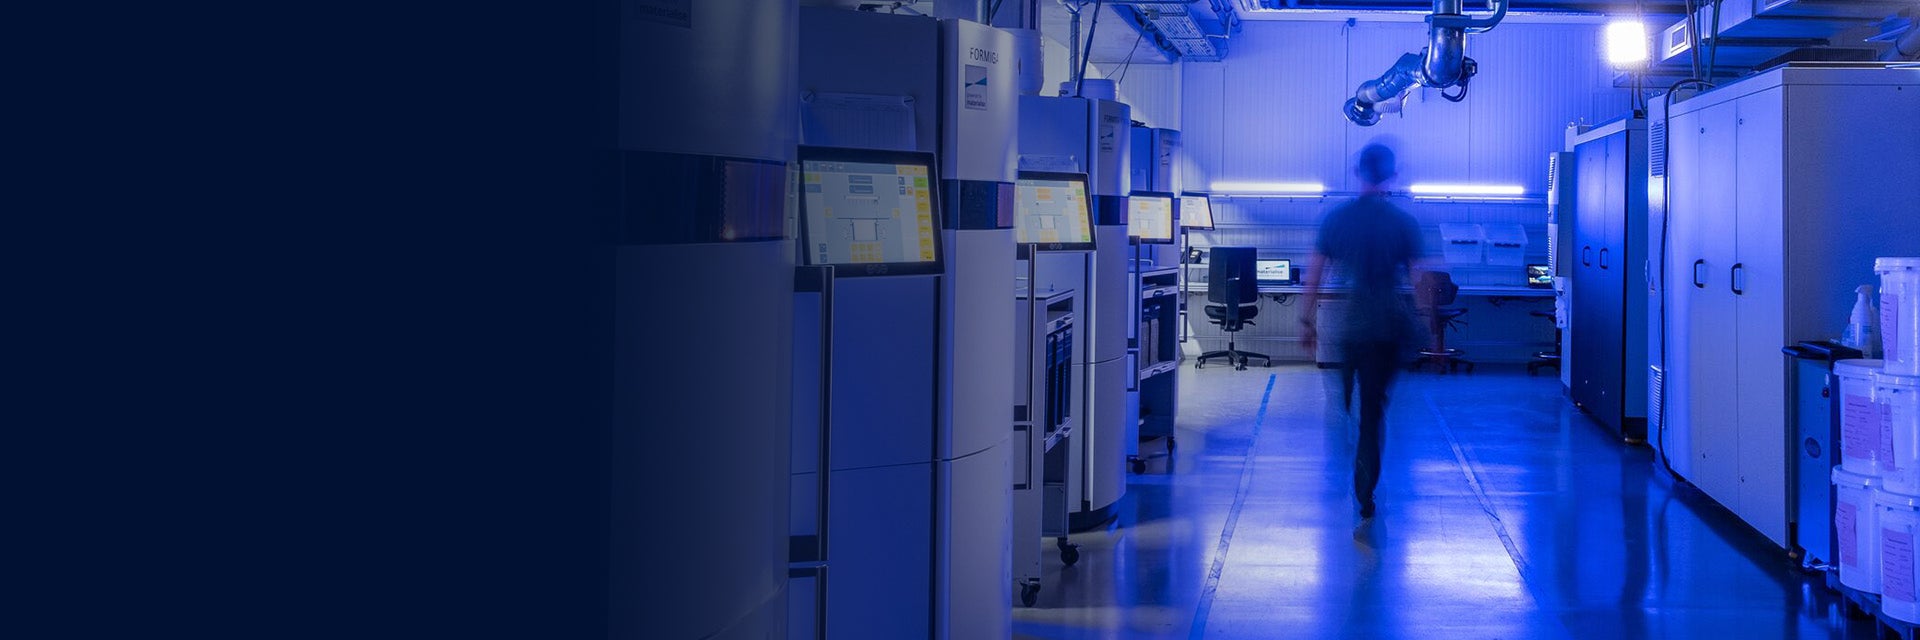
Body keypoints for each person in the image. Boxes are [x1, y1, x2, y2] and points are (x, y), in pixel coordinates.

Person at [1300, 143, 1432, 519]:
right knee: (1374, 411)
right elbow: (1419, 279)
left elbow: (1314, 274)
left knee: (1348, 401)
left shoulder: (1336, 219)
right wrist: (1428, 325)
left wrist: (1305, 321)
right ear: (1391, 174)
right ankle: (1365, 489)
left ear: (1358, 172)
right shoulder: (1403, 223)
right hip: (1387, 329)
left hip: (1349, 328)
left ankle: (1350, 419)